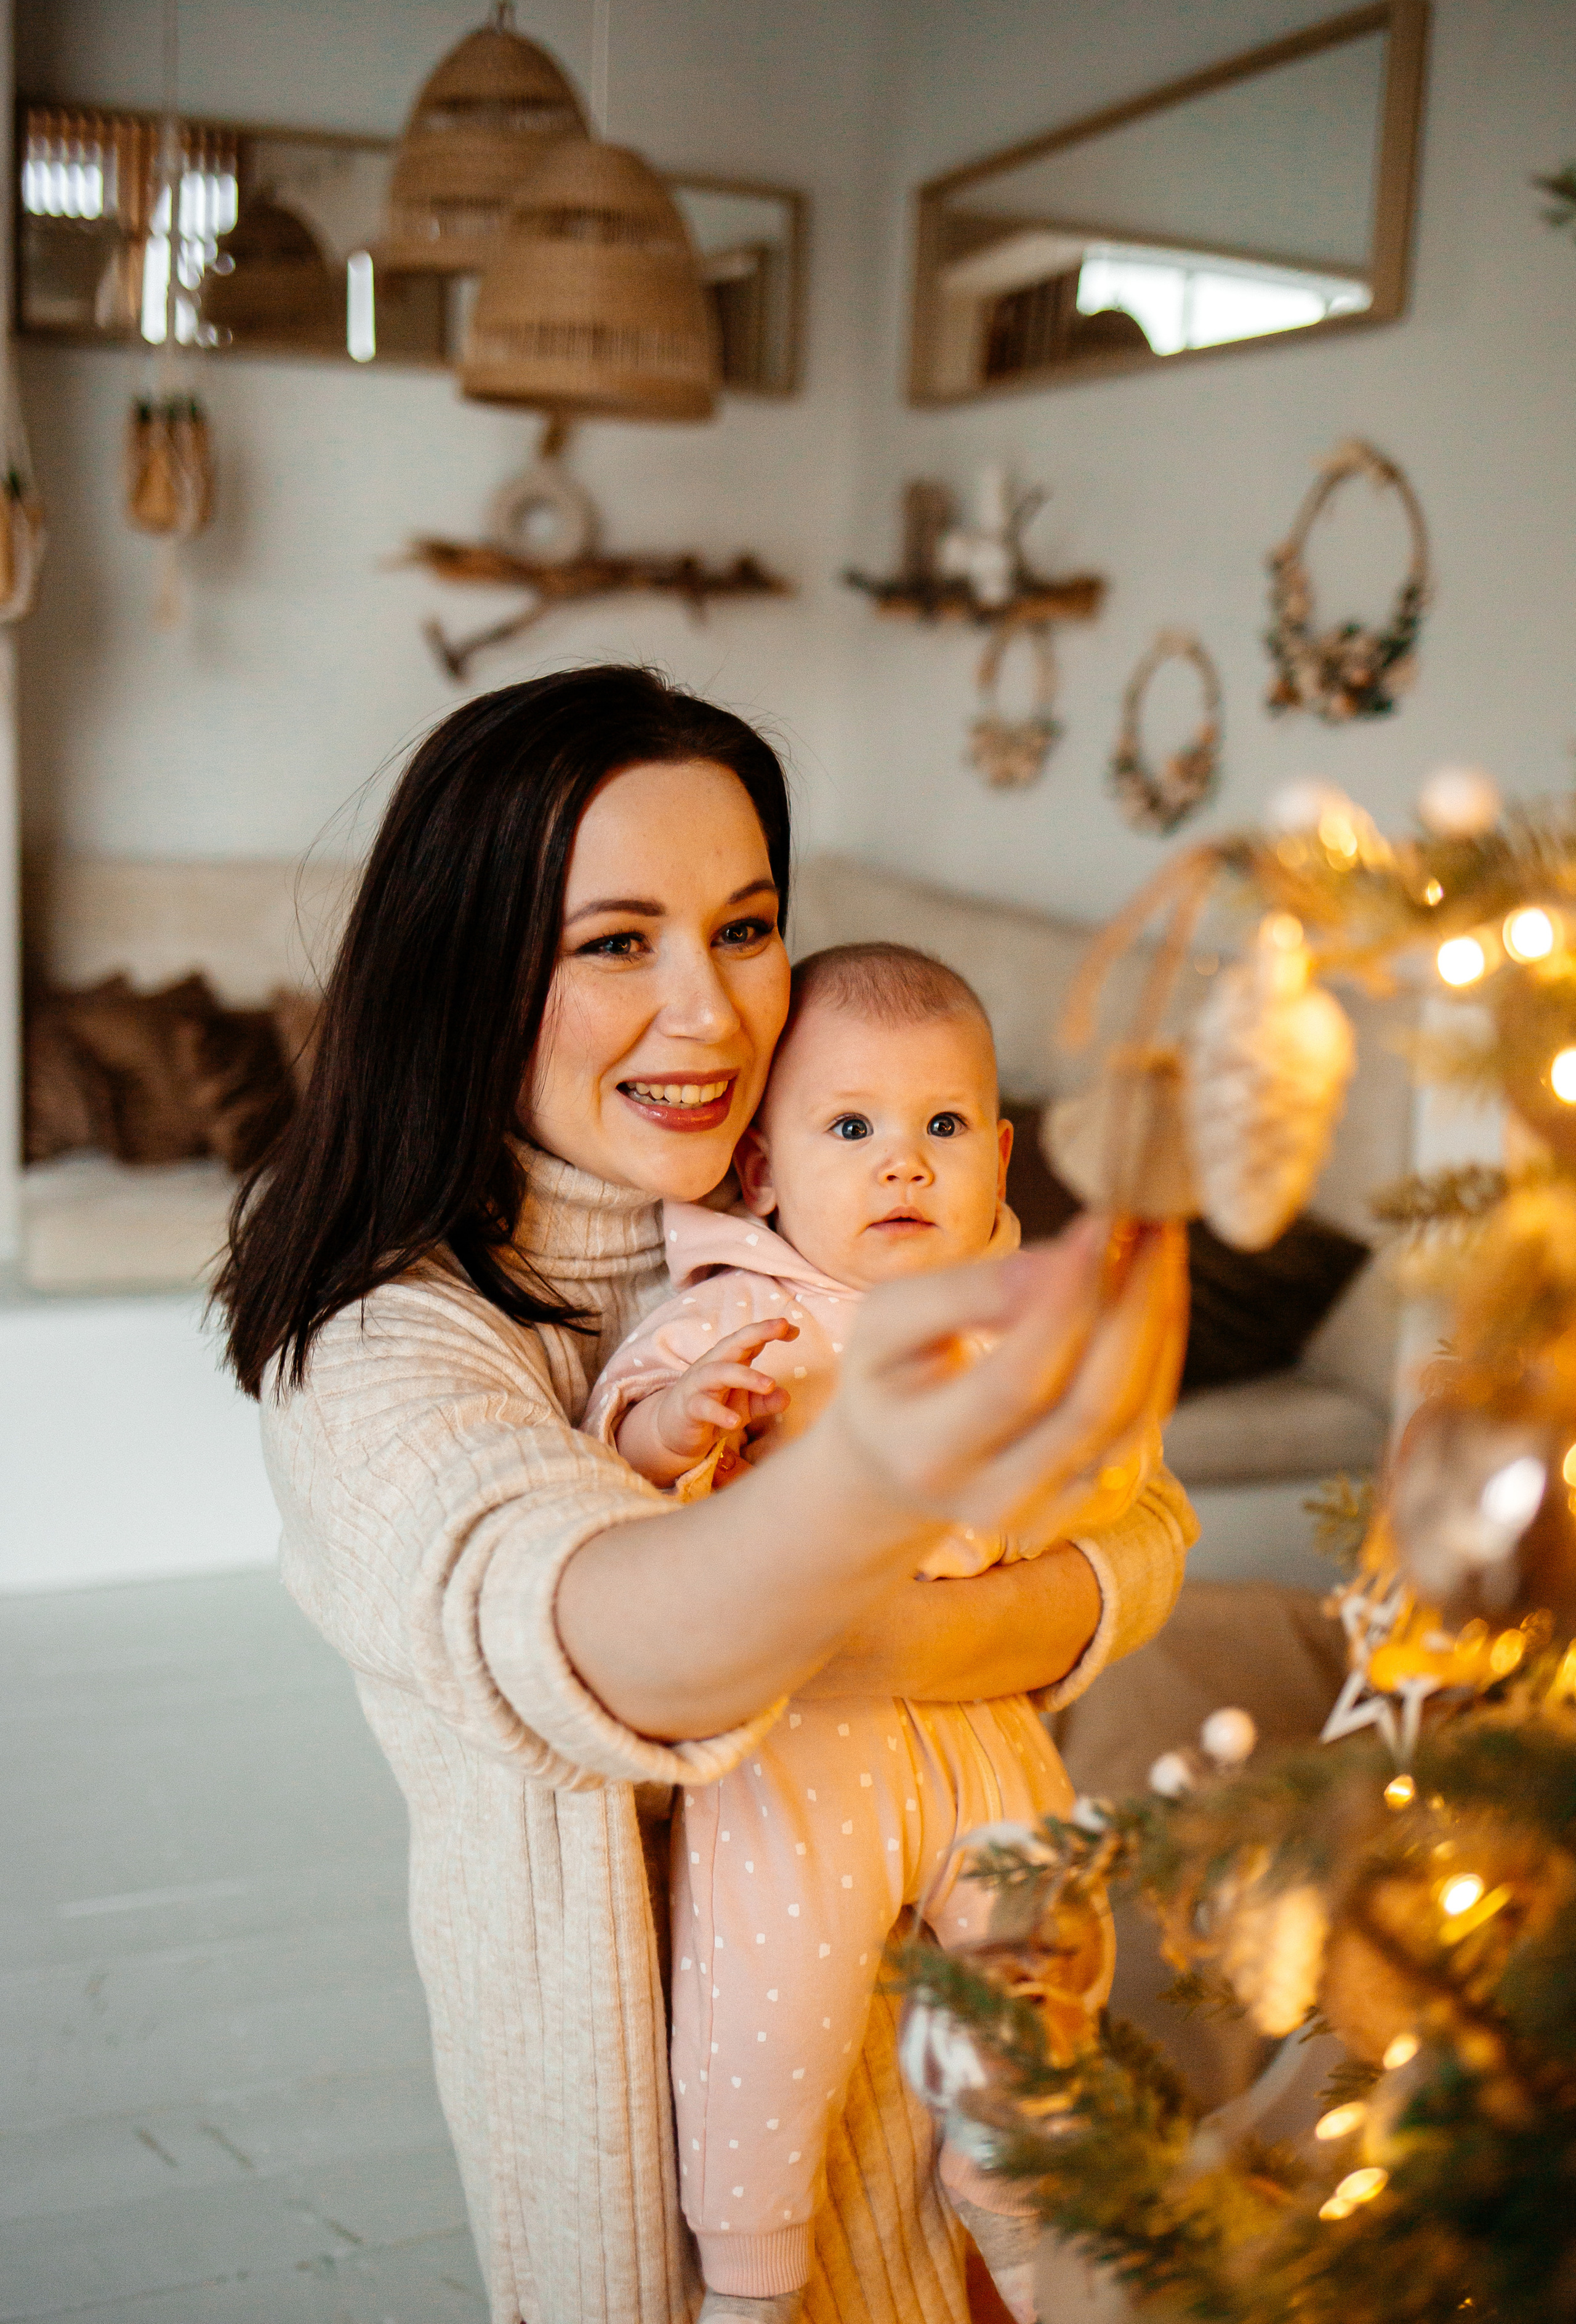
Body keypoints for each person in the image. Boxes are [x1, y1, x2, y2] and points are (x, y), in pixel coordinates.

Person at [215, 667, 1194, 2324]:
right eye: (616, 943)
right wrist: (896, 1498)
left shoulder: (869, 1215)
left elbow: (1143, 1533)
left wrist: (935, 1613)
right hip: (683, 2222)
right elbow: (603, 1639)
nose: (715, 1014)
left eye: (747, 929)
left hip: (992, 2151)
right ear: (469, 973)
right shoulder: (386, 1348)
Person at [587, 938, 1156, 2323]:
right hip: (802, 1765)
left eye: (941, 1127)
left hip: (987, 1743)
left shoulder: (1022, 1323)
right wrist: (683, 1419)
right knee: (762, 2018)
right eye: (851, 1129)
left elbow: (1121, 1475)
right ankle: (752, 2276)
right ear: (764, 1173)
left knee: (1039, 1971)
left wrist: (1065, 1470)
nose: (902, 1164)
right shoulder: (742, 1313)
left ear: (1000, 1159)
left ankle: (1027, 2236)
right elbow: (620, 1440)